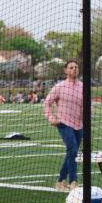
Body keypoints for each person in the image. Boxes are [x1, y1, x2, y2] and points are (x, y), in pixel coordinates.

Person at [44, 59, 83, 191]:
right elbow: (47, 103)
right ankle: (73, 182)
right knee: (73, 149)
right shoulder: (60, 87)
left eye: (76, 67)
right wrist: (51, 117)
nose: (74, 69)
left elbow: (88, 105)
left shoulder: (83, 86)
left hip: (79, 124)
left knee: (72, 152)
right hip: (64, 122)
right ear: (66, 70)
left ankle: (60, 181)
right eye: (71, 67)